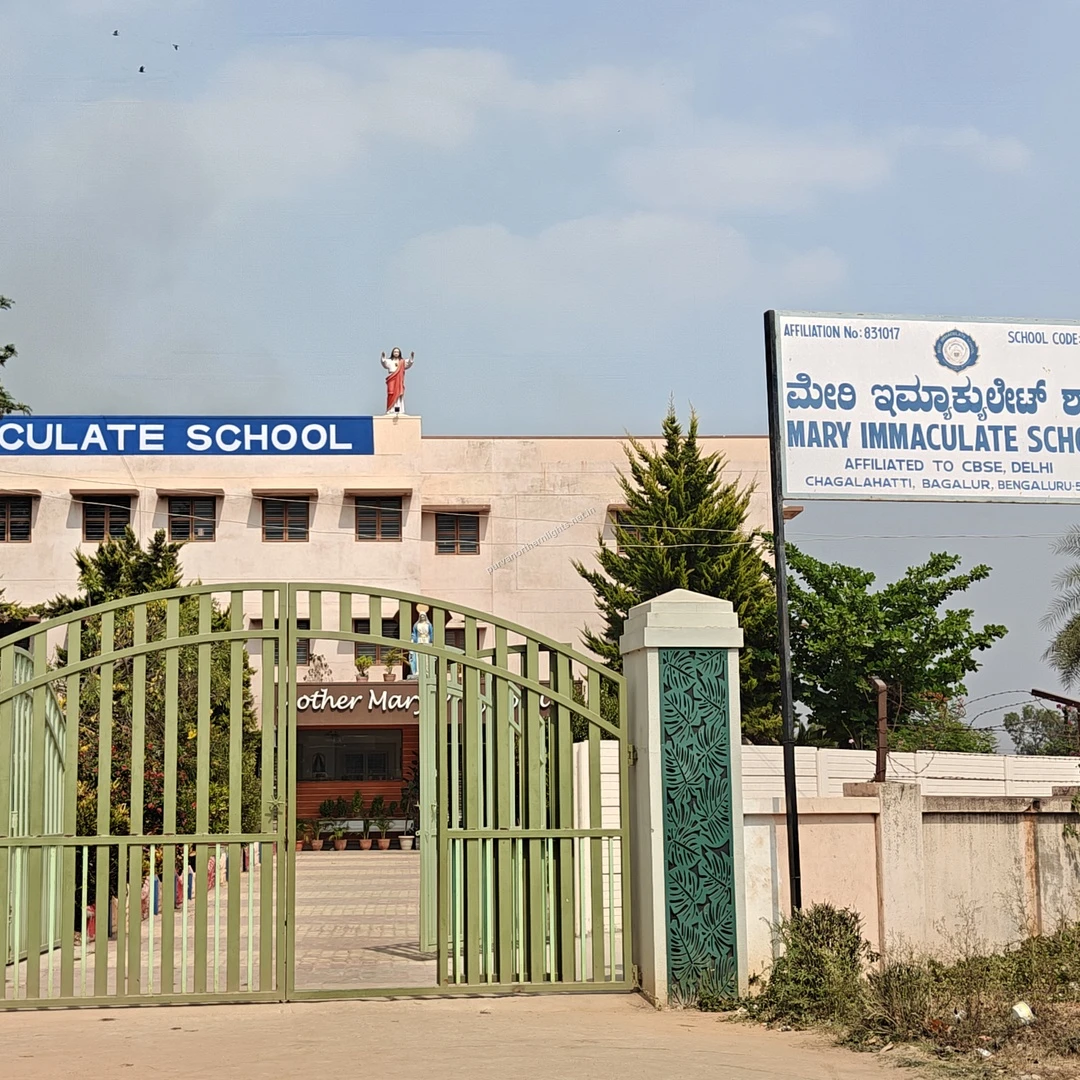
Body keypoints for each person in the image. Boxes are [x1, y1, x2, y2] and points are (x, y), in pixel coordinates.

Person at [381, 347, 414, 414]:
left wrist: (411, 358)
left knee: (398, 393)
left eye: (397, 352)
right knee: (391, 392)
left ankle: (399, 409)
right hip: (391, 377)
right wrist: (383, 358)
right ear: (392, 353)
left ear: (399, 353)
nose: (396, 353)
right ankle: (390, 408)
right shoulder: (390, 361)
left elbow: (408, 363)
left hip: (399, 379)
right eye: (395, 352)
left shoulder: (402, 361)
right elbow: (384, 363)